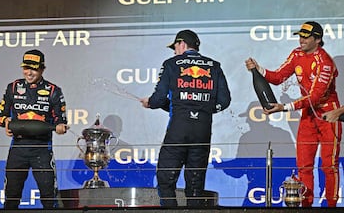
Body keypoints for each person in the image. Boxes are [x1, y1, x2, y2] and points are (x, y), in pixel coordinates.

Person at [245, 21, 342, 207]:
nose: (301, 39)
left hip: (329, 115)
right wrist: (259, 70)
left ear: (318, 39)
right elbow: (278, 77)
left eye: (306, 37)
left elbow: (314, 97)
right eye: (300, 36)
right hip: (307, 115)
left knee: (329, 166)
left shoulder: (325, 62)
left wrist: (284, 107)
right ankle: (305, 206)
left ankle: (332, 207)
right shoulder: (297, 54)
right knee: (304, 165)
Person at [140, 29, 231, 207]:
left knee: (165, 180)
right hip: (202, 132)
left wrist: (150, 103)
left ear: (182, 44)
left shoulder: (171, 64)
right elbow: (225, 101)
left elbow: (159, 98)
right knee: (195, 186)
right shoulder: (214, 66)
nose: (174, 51)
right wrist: (202, 109)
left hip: (178, 130)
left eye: (175, 47)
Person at [0, 49, 68, 209]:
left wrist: (60, 126)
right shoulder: (12, 87)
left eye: (33, 68)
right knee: (11, 197)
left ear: (42, 69)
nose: (29, 72)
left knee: (49, 198)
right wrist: (6, 122)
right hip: (17, 149)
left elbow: (61, 120)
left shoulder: (54, 91)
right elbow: (0, 115)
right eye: (26, 68)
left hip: (41, 150)